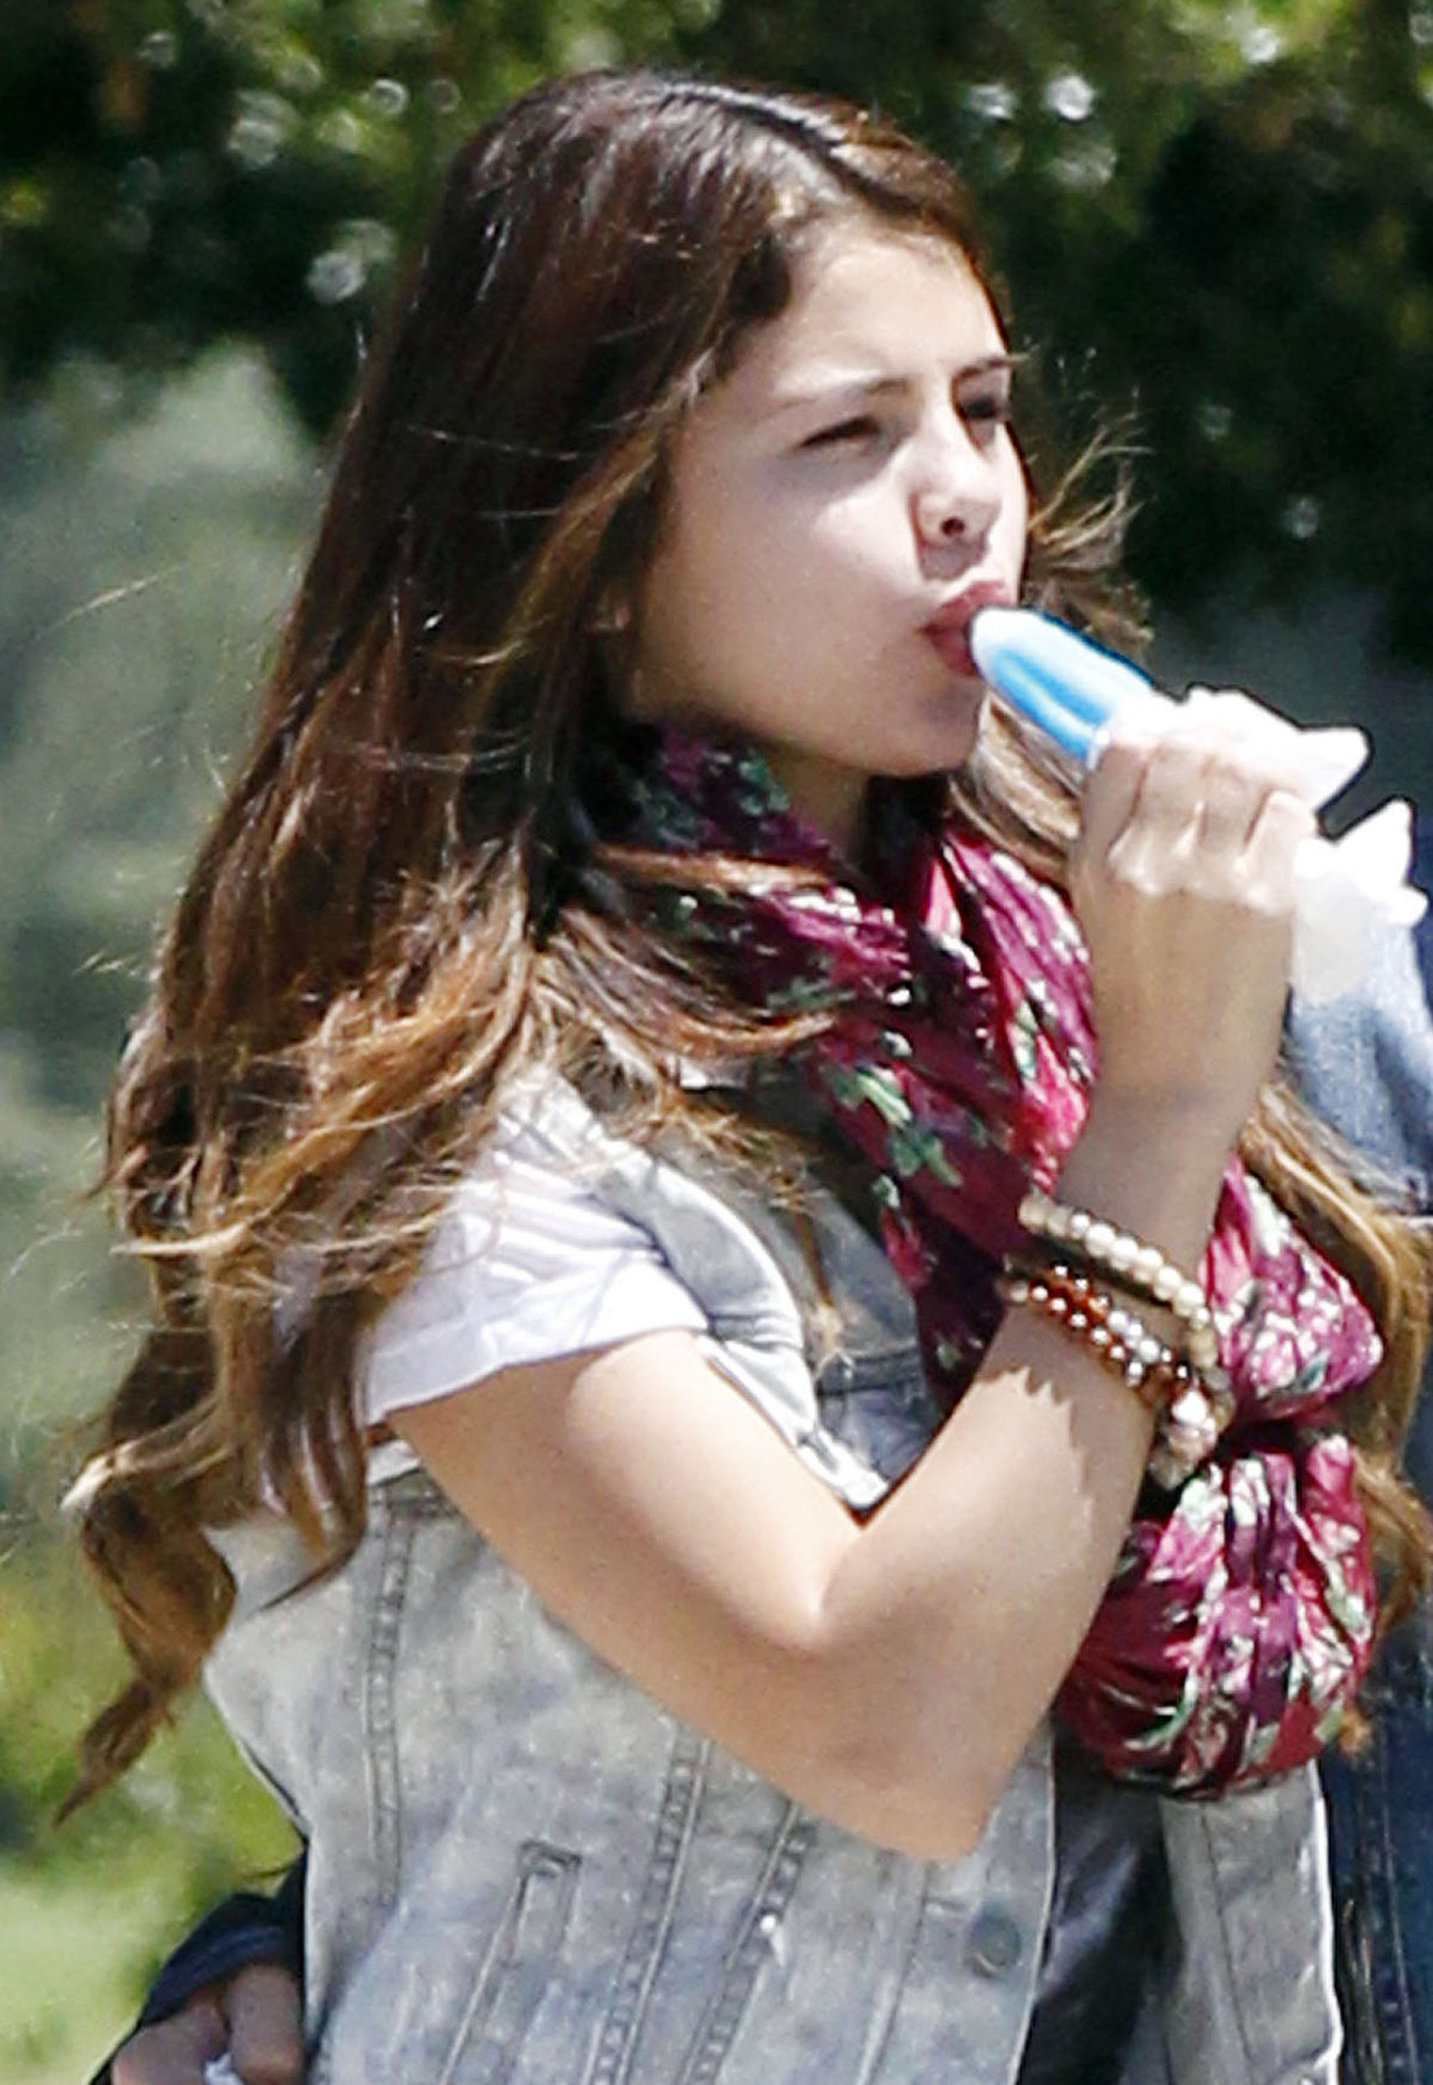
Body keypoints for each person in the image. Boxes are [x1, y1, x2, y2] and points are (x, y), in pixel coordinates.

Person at [72, 70, 1432, 2085]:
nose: (968, 492)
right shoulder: (447, 1103)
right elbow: (872, 1722)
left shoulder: (1207, 988)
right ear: (592, 543)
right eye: (847, 435)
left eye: (980, 407)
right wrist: (1154, 1119)